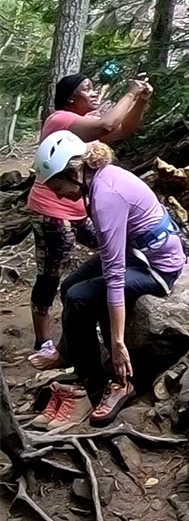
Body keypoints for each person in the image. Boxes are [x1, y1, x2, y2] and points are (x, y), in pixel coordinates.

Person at [26, 132, 186, 428]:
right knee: (69, 286)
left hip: (156, 267)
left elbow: (113, 275)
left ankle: (109, 382)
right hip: (135, 252)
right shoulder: (97, 179)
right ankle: (71, 356)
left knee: (81, 297)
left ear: (73, 173)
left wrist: (118, 344)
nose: (59, 196)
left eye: (58, 187)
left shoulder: (105, 195)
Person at [26, 73, 154, 359]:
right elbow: (107, 125)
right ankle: (42, 341)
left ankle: (101, 310)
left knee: (115, 250)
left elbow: (122, 129)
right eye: (87, 89)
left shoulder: (85, 123)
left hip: (79, 211)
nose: (94, 93)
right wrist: (131, 92)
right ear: (70, 98)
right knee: (50, 275)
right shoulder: (60, 120)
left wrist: (141, 102)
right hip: (51, 211)